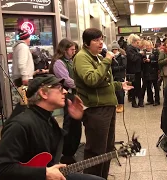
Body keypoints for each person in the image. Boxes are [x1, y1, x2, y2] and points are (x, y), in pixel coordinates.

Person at [0, 74, 104, 180]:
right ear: (43, 93)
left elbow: (69, 150)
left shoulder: (48, 120)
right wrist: (44, 173)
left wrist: (75, 119)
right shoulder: (20, 124)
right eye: (59, 88)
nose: (65, 91)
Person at [73, 28, 133, 179]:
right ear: (86, 42)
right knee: (96, 151)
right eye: (96, 40)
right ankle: (92, 178)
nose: (100, 43)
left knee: (107, 149)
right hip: (96, 110)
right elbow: (92, 79)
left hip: (107, 107)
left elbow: (104, 83)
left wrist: (119, 86)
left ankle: (101, 177)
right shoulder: (82, 57)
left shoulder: (97, 57)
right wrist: (107, 60)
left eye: (101, 39)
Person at [49, 38, 82, 164]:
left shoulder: (70, 61)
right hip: (67, 94)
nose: (74, 52)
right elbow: (66, 80)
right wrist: (81, 85)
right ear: (64, 49)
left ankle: (72, 147)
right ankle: (67, 150)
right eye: (72, 49)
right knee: (70, 122)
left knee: (75, 123)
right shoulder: (59, 63)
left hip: (73, 93)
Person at [9, 29, 34, 119]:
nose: (30, 40)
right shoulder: (23, 47)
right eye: (29, 38)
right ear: (26, 38)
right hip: (23, 79)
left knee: (24, 101)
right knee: (24, 102)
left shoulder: (19, 47)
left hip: (22, 78)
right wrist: (25, 77)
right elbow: (21, 63)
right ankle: (14, 120)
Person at [126, 34, 144, 108]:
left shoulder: (136, 49)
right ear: (134, 42)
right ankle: (133, 102)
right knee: (133, 87)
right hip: (132, 71)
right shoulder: (129, 49)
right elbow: (133, 59)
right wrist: (139, 54)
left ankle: (140, 101)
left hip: (138, 70)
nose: (138, 43)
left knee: (138, 86)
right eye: (137, 41)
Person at [110, 41, 127, 112]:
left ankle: (121, 105)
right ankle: (117, 104)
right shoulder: (111, 57)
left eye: (116, 49)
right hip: (114, 75)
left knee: (120, 91)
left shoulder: (122, 56)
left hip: (120, 75)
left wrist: (114, 68)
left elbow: (124, 66)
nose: (114, 51)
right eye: (113, 49)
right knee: (116, 91)